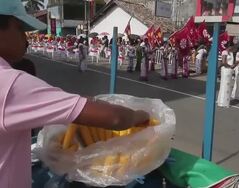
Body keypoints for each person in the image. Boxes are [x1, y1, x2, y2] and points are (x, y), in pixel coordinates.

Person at [0, 1, 150, 188]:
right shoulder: (9, 83)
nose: (26, 39)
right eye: (20, 28)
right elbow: (116, 118)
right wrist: (142, 115)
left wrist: (78, 103)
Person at [217, 42, 235, 107]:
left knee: (228, 85)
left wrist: (232, 66)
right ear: (229, 46)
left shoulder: (231, 53)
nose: (233, 48)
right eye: (232, 46)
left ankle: (226, 101)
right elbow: (224, 62)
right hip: (225, 70)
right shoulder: (224, 52)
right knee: (224, 84)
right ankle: (222, 102)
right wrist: (230, 66)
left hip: (230, 71)